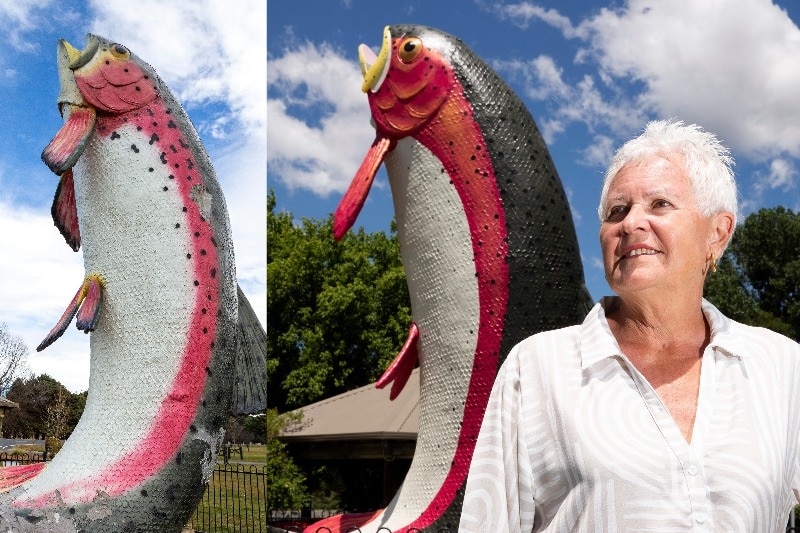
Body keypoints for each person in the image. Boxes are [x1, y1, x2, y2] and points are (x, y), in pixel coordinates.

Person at [458, 119, 800, 532]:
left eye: (660, 204)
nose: (631, 222)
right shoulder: (536, 369)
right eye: (617, 211)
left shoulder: (782, 367)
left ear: (718, 232)